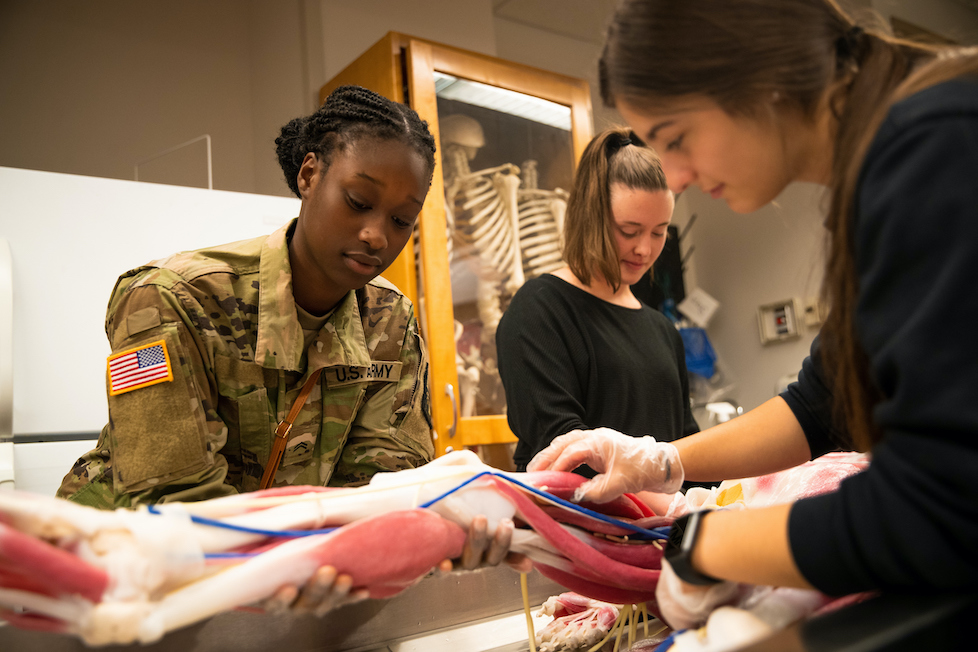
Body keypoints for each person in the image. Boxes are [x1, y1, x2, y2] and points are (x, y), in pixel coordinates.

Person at [528, 0, 978, 631]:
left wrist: (705, 545)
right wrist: (663, 459)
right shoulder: (893, 155)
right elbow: (821, 405)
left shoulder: (933, 148)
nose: (677, 179)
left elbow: (940, 504)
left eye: (676, 139)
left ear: (758, 75)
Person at [55, 85, 443, 612]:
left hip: (278, 587)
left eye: (401, 220)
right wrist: (305, 564)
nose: (377, 235)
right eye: (358, 202)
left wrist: (395, 542)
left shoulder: (390, 321)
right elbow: (172, 501)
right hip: (114, 577)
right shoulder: (171, 296)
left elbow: (383, 491)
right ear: (309, 175)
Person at [496, 127, 698, 476]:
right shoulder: (538, 310)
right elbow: (563, 451)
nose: (644, 249)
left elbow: (684, 447)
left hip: (669, 527)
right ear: (592, 217)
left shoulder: (664, 331)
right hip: (581, 527)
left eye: (659, 231)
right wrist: (675, 507)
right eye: (629, 230)